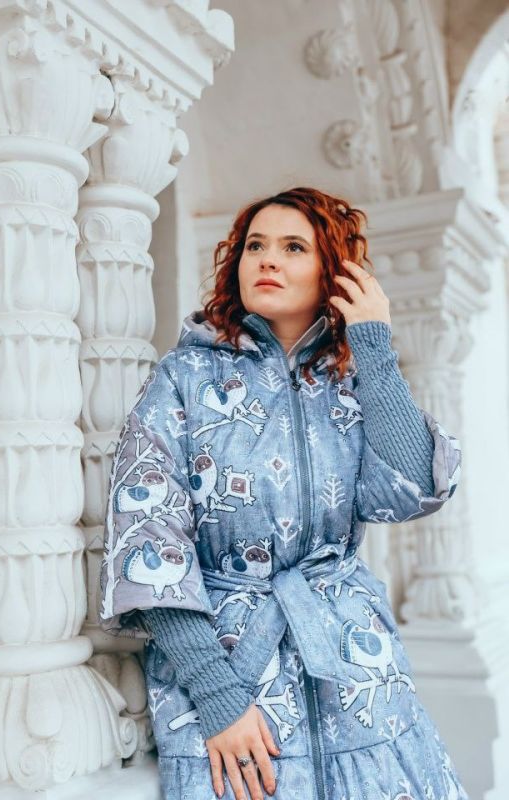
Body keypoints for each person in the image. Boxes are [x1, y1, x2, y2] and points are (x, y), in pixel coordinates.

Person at [99, 187, 468, 800]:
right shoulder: (185, 378)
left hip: (357, 672)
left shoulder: (350, 382)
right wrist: (218, 696)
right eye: (255, 246)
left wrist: (375, 353)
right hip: (231, 672)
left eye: (294, 247)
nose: (267, 259)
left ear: (333, 272)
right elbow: (149, 543)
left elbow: (414, 486)